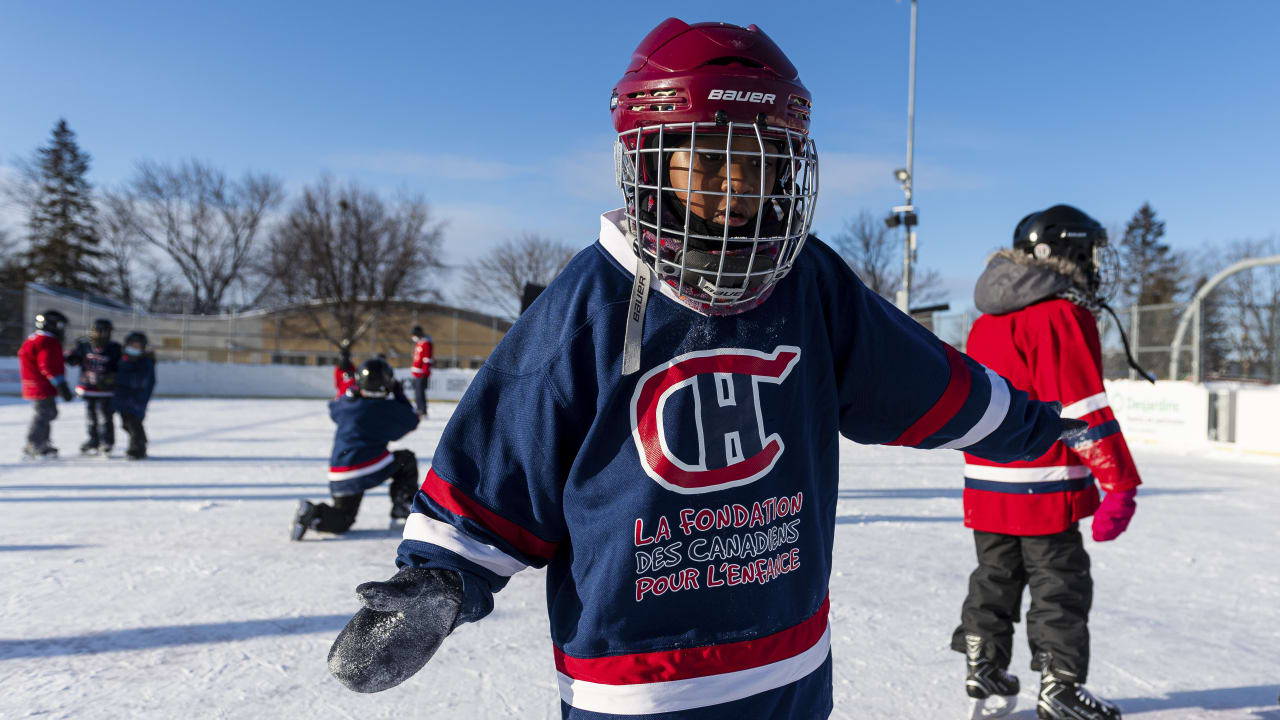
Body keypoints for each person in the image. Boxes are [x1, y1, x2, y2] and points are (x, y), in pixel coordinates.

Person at [325, 19, 1084, 719]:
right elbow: (506, 455)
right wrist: (439, 578)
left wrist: (1032, 424)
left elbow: (919, 378)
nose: (737, 186)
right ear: (651, 155)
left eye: (760, 161)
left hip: (787, 661)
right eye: (710, 160)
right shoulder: (592, 297)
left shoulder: (811, 285)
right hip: (636, 680)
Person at [951, 205, 1142, 720]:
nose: (1097, 263)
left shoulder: (989, 316)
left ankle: (982, 663)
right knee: (1059, 588)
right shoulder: (1061, 313)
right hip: (1044, 486)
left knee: (995, 574)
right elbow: (1082, 410)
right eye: (1091, 251)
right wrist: (1119, 483)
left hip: (987, 482)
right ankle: (1059, 688)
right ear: (1065, 251)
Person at [292, 358, 421, 540]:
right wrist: (400, 396)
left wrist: (351, 387)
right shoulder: (384, 408)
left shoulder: (347, 405)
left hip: (339, 471)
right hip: (366, 466)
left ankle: (314, 513)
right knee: (405, 460)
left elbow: (334, 407)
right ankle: (401, 510)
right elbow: (412, 420)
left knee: (344, 518)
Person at [18, 309, 74, 458]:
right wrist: (61, 384)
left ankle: (43, 442)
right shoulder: (48, 341)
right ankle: (34, 444)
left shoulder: (33, 339)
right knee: (44, 414)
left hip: (35, 384)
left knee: (47, 413)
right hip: (42, 385)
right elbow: (47, 365)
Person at [64, 318, 123, 455]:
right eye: (97, 331)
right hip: (88, 389)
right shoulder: (84, 345)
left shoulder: (114, 348)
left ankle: (107, 441)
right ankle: (93, 439)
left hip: (106, 391)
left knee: (105, 417)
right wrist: (71, 357)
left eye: (103, 332)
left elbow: (120, 367)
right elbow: (74, 359)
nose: (100, 334)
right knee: (91, 417)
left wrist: (112, 378)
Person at [114, 331, 157, 460]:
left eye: (137, 346)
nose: (134, 349)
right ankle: (140, 442)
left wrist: (116, 378)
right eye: (132, 345)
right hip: (123, 399)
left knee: (133, 423)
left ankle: (137, 447)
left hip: (137, 399)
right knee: (126, 423)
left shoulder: (146, 362)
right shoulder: (122, 360)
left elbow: (140, 381)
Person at [410, 326, 432, 419]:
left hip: (422, 373)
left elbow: (427, 359)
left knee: (420, 392)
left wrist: (425, 372)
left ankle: (423, 410)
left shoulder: (426, 343)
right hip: (416, 373)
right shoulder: (419, 343)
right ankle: (419, 409)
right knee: (417, 392)